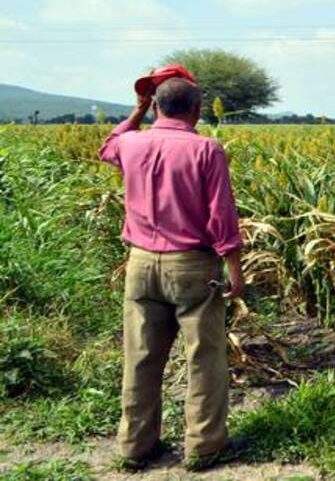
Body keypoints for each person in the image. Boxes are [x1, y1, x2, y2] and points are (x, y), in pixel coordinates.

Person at [98, 72, 246, 472]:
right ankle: (205, 446)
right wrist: (234, 268)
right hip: (193, 266)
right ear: (197, 111)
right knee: (204, 358)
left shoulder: (130, 144)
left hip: (140, 265)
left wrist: (138, 110)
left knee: (141, 358)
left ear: (157, 106)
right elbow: (222, 216)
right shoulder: (206, 149)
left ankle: (135, 447)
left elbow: (107, 145)